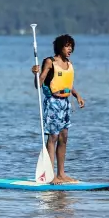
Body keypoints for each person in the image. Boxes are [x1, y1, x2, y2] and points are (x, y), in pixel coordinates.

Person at [31, 34, 85, 184]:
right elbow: (39, 84)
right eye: (67, 46)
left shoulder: (69, 63)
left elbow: (67, 83)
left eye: (71, 46)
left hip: (66, 103)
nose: (70, 49)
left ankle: (61, 174)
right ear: (60, 47)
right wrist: (35, 74)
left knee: (64, 138)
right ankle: (51, 175)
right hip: (53, 103)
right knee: (53, 138)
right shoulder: (49, 62)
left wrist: (77, 95)